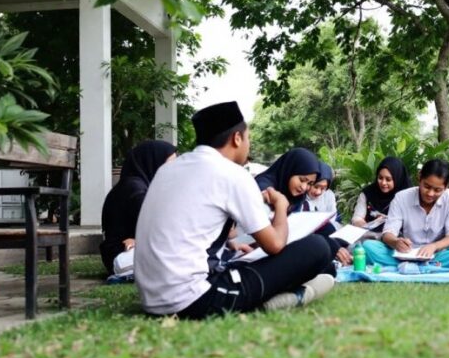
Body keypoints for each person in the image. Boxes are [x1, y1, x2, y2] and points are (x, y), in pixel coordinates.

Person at [134, 101, 336, 319]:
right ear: (237, 138)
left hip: (151, 298)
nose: (248, 145)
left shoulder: (168, 170)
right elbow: (275, 245)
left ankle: (275, 294)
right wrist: (280, 206)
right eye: (248, 138)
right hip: (195, 299)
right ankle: (276, 300)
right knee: (318, 248)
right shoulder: (232, 174)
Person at [362, 159, 449, 268]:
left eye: (438, 190)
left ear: (446, 186)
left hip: (437, 253)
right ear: (419, 177)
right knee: (368, 246)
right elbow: (388, 233)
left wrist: (433, 246)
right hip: (405, 254)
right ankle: (429, 267)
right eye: (427, 186)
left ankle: (408, 267)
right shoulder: (401, 197)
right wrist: (396, 242)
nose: (430, 193)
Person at [99, 140, 177, 276]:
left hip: (134, 251)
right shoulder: (134, 188)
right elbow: (161, 229)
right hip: (122, 256)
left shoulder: (141, 186)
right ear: (154, 162)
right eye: (169, 165)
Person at [300, 161, 353, 265]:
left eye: (323, 188)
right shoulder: (301, 198)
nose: (318, 192)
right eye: (316, 187)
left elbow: (331, 218)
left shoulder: (329, 195)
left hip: (328, 231)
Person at [351, 156, 412, 231]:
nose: (383, 183)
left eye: (388, 179)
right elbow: (357, 217)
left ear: (397, 178)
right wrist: (364, 226)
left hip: (396, 238)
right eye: (380, 178)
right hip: (367, 236)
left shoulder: (406, 197)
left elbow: (410, 224)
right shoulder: (368, 193)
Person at [255, 148, 319, 213]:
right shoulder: (262, 187)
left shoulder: (298, 197)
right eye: (302, 180)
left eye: (310, 183)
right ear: (289, 170)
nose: (304, 187)